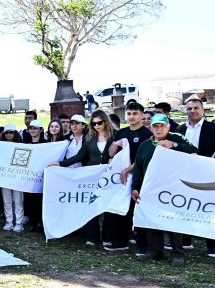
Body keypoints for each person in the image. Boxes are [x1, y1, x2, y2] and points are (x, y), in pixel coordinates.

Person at [133, 114, 197, 267]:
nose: (159, 128)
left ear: (168, 126)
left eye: (162, 125)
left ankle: (177, 253)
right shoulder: (145, 145)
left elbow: (194, 151)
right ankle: (155, 251)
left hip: (173, 188)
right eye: (155, 126)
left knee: (173, 220)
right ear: (151, 127)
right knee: (151, 219)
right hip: (150, 189)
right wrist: (135, 187)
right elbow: (138, 168)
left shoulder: (177, 138)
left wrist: (173, 145)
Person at [49, 110, 113, 246]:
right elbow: (80, 155)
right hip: (91, 175)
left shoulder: (113, 137)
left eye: (99, 123)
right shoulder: (90, 138)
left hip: (109, 175)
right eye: (94, 123)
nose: (96, 125)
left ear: (105, 122)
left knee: (108, 206)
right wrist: (60, 163)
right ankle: (92, 237)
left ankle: (108, 238)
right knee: (92, 204)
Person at [107, 100, 153, 254]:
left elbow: (143, 158)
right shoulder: (121, 132)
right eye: (129, 113)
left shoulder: (148, 134)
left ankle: (143, 245)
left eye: (135, 114)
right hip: (122, 178)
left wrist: (128, 169)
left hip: (140, 177)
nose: (131, 116)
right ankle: (121, 241)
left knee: (137, 210)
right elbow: (111, 154)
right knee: (120, 208)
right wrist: (117, 143)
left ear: (141, 115)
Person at [177, 97, 215, 257]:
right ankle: (185, 241)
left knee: (208, 208)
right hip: (184, 174)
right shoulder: (179, 130)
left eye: (195, 108)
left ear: (202, 110)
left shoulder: (212, 128)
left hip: (207, 173)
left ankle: (212, 245)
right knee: (185, 206)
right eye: (189, 108)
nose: (192, 111)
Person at [0, 124, 24, 232]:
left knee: (18, 200)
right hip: (5, 177)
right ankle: (9, 221)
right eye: (7, 133)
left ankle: (19, 222)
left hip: (17, 177)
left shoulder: (21, 145)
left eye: (11, 132)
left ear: (15, 133)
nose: (9, 135)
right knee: (7, 200)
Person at [23, 120, 46, 231]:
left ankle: (41, 223)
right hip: (30, 177)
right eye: (31, 128)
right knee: (30, 199)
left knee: (40, 200)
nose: (32, 130)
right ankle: (34, 222)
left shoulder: (47, 144)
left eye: (35, 128)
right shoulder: (26, 145)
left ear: (41, 130)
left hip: (43, 177)